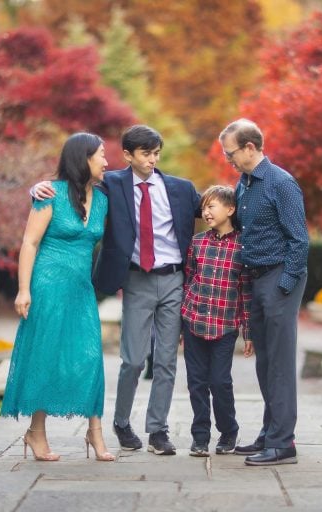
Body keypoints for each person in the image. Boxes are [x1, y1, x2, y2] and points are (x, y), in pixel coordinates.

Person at [32, 125, 200, 455]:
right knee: (134, 359)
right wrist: (35, 189)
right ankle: (122, 422)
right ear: (127, 155)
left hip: (174, 280)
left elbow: (216, 205)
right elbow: (69, 187)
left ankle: (158, 430)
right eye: (146, 153)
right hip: (136, 280)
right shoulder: (111, 184)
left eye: (157, 153)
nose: (153, 159)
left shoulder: (180, 189)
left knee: (166, 360)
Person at [0, 132, 114, 462]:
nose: (107, 162)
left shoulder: (104, 198)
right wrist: (23, 290)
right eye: (101, 155)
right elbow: (29, 244)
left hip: (81, 288)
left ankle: (94, 433)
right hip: (47, 284)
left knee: (90, 356)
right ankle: (36, 433)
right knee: (46, 356)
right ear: (83, 159)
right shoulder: (51, 194)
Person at [218, 119, 309, 466]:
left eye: (231, 154)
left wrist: (284, 286)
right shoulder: (244, 184)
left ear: (250, 148)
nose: (229, 161)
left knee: (281, 363)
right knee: (265, 362)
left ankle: (283, 444)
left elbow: (300, 240)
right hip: (256, 279)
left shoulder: (281, 183)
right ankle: (270, 433)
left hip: (279, 278)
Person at [181, 185, 254, 457]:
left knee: (220, 381)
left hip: (224, 326)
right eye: (204, 207)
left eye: (212, 206)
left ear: (230, 209)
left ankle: (228, 431)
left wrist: (248, 332)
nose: (206, 211)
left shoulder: (243, 246)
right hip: (194, 321)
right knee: (196, 382)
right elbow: (188, 281)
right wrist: (181, 322)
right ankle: (200, 436)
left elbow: (246, 291)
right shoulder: (197, 242)